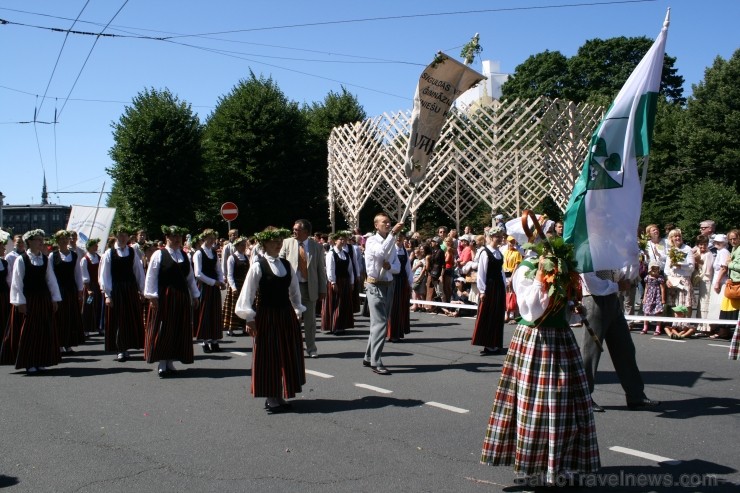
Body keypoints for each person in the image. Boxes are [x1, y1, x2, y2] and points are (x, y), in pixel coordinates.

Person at [481, 243, 599, 485]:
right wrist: (538, 277)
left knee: (566, 404)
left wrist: (573, 307)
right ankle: (534, 467)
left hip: (561, 339)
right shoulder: (525, 269)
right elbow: (532, 311)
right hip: (535, 340)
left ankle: (561, 464)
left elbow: (564, 309)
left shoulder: (561, 267)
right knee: (533, 406)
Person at [235, 227, 306, 412]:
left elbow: (294, 291)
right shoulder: (258, 265)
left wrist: (297, 310)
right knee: (268, 355)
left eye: (280, 240)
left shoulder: (286, 264)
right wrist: (249, 318)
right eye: (274, 241)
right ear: (264, 244)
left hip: (285, 314)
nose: (278, 244)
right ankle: (270, 396)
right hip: (266, 315)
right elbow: (248, 293)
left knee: (286, 353)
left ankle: (280, 394)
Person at [580, 269, 660, 412]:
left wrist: (623, 277)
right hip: (595, 299)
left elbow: (615, 272)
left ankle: (635, 396)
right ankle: (583, 398)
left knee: (625, 348)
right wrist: (617, 285)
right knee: (591, 352)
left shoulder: (608, 249)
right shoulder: (588, 250)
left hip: (612, 299)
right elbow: (591, 282)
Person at [144, 225, 201, 377]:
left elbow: (190, 278)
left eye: (179, 237)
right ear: (167, 238)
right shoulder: (159, 254)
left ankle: (170, 361)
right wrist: (152, 296)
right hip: (165, 296)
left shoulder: (184, 255)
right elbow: (151, 276)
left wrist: (195, 295)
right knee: (164, 329)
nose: (177, 240)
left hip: (181, 297)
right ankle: (162, 363)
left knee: (177, 328)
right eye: (174, 237)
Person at [7, 229, 62, 374]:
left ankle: (41, 360)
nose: (41, 242)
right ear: (30, 242)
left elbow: (50, 279)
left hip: (43, 299)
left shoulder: (44, 259)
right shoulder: (22, 259)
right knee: (30, 331)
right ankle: (29, 361)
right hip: (29, 299)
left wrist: (54, 298)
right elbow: (16, 282)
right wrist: (20, 302)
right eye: (38, 239)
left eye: (41, 239)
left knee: (43, 330)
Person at [362, 213, 403, 375]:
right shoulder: (372, 240)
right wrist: (392, 234)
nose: (387, 224)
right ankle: (376, 360)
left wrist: (389, 268)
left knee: (380, 323)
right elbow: (380, 253)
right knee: (380, 324)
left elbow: (397, 267)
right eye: (384, 222)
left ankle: (368, 356)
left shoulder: (392, 243)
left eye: (389, 222)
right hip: (375, 285)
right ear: (376, 225)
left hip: (388, 285)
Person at [279, 219, 327, 359]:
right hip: (292, 288)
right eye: (293, 229)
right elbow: (280, 262)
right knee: (293, 319)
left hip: (309, 288)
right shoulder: (287, 243)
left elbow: (320, 270)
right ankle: (292, 348)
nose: (294, 231)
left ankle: (311, 348)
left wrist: (322, 289)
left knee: (310, 321)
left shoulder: (316, 247)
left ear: (306, 232)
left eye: (297, 229)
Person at [99, 225, 146, 362]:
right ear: (116, 236)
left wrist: (142, 290)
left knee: (129, 318)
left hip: (130, 289)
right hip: (117, 289)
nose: (123, 237)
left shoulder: (132, 252)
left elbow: (138, 272)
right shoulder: (109, 253)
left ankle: (127, 345)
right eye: (121, 235)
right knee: (118, 319)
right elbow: (105, 275)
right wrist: (107, 294)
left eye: (125, 235)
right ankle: (120, 348)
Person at [472, 227, 506, 355]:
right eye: (498, 236)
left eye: (501, 236)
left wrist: (505, 284)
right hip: (489, 286)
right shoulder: (485, 252)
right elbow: (481, 272)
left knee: (497, 314)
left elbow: (501, 271)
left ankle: (496, 342)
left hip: (498, 287)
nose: (500, 238)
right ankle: (488, 343)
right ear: (491, 237)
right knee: (488, 314)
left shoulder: (499, 253)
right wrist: (482, 290)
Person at [50, 230, 85, 353]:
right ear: (58, 241)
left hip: (71, 289)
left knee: (70, 316)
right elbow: (50, 275)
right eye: (61, 239)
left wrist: (80, 290)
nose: (64, 241)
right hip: (59, 290)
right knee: (60, 317)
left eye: (66, 239)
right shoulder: (52, 256)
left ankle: (68, 343)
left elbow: (78, 274)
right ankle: (59, 344)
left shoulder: (74, 255)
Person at [193, 229, 226, 353]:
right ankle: (204, 341)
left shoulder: (213, 252)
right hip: (204, 286)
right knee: (205, 313)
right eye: (210, 238)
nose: (212, 241)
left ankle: (214, 341)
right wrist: (213, 282)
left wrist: (221, 281)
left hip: (214, 287)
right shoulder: (199, 253)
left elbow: (218, 269)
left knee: (215, 313)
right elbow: (198, 273)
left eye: (213, 238)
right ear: (204, 238)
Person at [321, 231, 355, 335]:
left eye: (344, 239)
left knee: (343, 303)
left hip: (345, 281)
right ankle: (334, 325)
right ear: (335, 241)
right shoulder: (331, 253)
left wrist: (352, 282)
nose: (343, 241)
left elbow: (350, 269)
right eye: (340, 239)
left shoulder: (346, 254)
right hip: (336, 281)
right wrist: (333, 282)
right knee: (335, 303)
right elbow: (330, 269)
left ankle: (342, 325)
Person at [664, 228, 695, 319]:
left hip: (684, 279)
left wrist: (680, 265)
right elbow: (667, 268)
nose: (677, 238)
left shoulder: (687, 249)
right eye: (675, 236)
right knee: (675, 304)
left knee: (686, 303)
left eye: (679, 236)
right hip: (673, 279)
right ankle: (677, 323)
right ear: (671, 239)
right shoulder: (671, 250)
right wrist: (668, 279)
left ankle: (686, 323)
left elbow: (691, 267)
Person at [387, 232, 413, 341]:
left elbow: (408, 267)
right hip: (393, 280)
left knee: (401, 306)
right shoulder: (391, 250)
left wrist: (409, 282)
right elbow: (388, 266)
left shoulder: (404, 252)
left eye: (401, 237)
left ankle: (398, 332)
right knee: (392, 307)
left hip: (402, 281)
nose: (399, 239)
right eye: (397, 237)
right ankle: (391, 333)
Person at [222, 236, 250, 336]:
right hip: (235, 285)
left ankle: (243, 327)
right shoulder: (232, 258)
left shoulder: (246, 257)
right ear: (237, 246)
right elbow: (230, 274)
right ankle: (230, 328)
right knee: (233, 307)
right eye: (242, 245)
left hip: (244, 284)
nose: (244, 247)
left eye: (244, 245)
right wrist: (233, 287)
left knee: (244, 306)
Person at [80, 238, 104, 337]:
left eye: (97, 245)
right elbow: (84, 275)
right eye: (94, 245)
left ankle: (99, 326)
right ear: (89, 247)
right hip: (90, 286)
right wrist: (88, 289)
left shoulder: (99, 257)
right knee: (88, 306)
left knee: (99, 305)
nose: (96, 247)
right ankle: (86, 328)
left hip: (98, 285)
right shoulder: (84, 260)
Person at [640, 260, 666, 335]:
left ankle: (658, 328)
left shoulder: (660, 278)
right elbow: (646, 288)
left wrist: (663, 299)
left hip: (657, 296)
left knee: (658, 312)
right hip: (649, 296)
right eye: (653, 269)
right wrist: (644, 298)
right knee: (646, 311)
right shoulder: (647, 277)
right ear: (650, 270)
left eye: (656, 269)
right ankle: (645, 327)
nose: (655, 271)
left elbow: (662, 288)